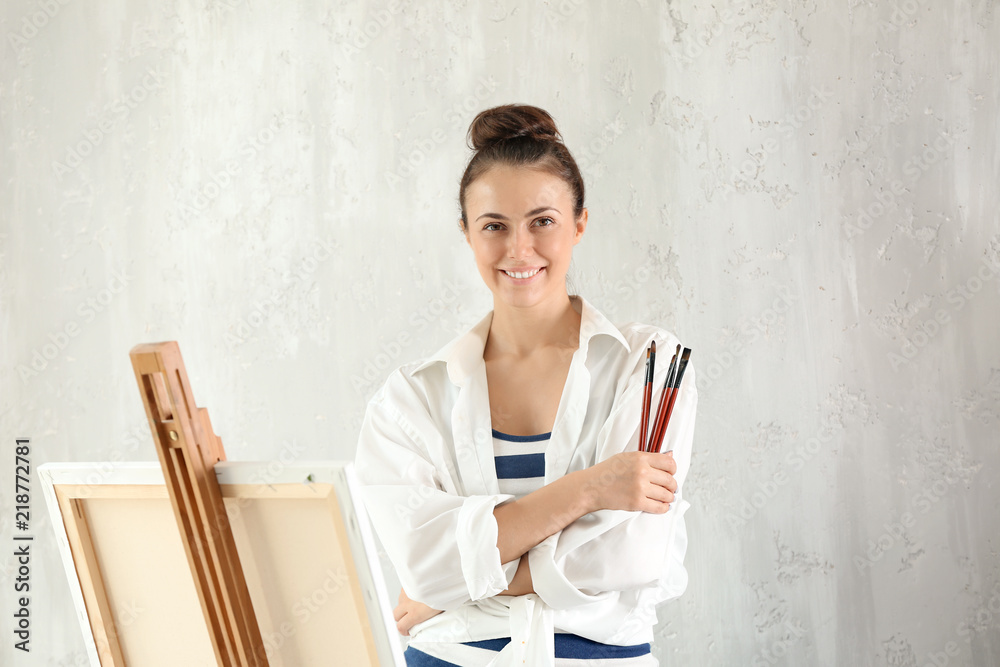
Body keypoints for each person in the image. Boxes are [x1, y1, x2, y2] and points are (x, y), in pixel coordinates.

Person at [354, 104, 697, 667]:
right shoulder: (410, 399)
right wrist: (589, 488)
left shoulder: (649, 365)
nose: (519, 250)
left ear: (579, 224)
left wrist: (456, 580)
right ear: (466, 233)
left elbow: (629, 554)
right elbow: (423, 563)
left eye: (543, 221)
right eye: (494, 226)